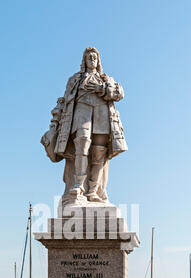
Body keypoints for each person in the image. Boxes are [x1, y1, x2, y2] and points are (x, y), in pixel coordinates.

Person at [41, 47, 127, 205]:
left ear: (98, 60)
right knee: (82, 143)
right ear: (84, 60)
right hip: (82, 111)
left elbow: (119, 93)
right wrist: (54, 124)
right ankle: (78, 186)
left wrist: (101, 89)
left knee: (98, 150)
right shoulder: (75, 80)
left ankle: (93, 190)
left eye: (95, 57)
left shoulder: (105, 78)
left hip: (101, 113)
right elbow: (64, 101)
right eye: (89, 57)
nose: (92, 59)